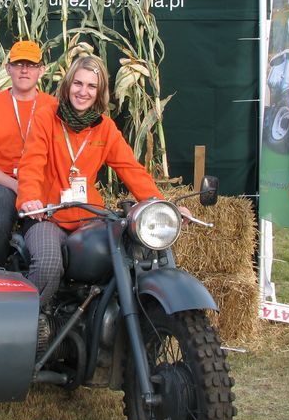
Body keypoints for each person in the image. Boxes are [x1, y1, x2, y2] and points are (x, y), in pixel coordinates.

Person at [16, 54, 192, 305]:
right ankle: (34, 327)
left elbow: (131, 169)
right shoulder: (47, 117)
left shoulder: (105, 128)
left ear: (100, 92)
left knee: (127, 253)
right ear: (67, 85)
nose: (83, 92)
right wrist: (31, 199)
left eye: (91, 86)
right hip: (48, 215)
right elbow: (31, 163)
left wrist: (161, 207)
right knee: (48, 264)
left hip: (88, 217)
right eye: (78, 83)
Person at [0, 40, 57, 268]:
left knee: (47, 230)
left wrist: (31, 188)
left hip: (38, 183)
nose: (25, 70)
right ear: (8, 69)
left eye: (31, 65)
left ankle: (43, 291)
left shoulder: (54, 106)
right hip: (1, 183)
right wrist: (17, 186)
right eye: (18, 64)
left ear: (42, 70)